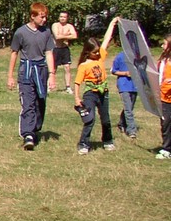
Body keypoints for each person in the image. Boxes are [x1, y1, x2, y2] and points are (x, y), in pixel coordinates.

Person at [7, 2, 57, 150]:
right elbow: (14, 53)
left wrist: (52, 75)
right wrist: (10, 76)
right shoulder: (21, 32)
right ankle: (27, 134)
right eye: (41, 17)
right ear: (32, 16)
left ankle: (35, 129)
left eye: (45, 17)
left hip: (41, 71)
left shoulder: (46, 32)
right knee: (28, 102)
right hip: (26, 71)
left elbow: (49, 53)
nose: (44, 20)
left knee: (40, 102)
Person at [73, 17, 118, 155]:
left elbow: (106, 39)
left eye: (98, 51)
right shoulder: (84, 66)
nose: (97, 54)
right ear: (88, 52)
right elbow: (77, 83)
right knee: (90, 119)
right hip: (90, 94)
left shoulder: (100, 58)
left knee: (106, 119)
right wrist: (77, 98)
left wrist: (112, 23)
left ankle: (108, 140)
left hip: (103, 92)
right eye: (94, 52)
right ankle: (83, 144)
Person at [111, 43, 139, 140]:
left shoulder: (137, 57)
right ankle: (131, 130)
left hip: (134, 86)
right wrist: (125, 73)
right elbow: (114, 71)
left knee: (130, 107)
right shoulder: (120, 56)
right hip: (123, 85)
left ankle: (121, 123)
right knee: (128, 109)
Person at [51, 11, 78, 93]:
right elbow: (57, 36)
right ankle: (50, 86)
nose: (62, 18)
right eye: (61, 16)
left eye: (64, 17)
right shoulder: (55, 25)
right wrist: (68, 35)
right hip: (56, 49)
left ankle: (68, 87)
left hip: (65, 49)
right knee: (53, 68)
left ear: (67, 18)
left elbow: (75, 36)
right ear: (59, 17)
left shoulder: (69, 26)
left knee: (67, 68)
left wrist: (62, 35)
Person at [157, 33, 171, 160]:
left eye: (164, 44)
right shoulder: (163, 60)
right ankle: (167, 148)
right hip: (164, 97)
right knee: (165, 123)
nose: (162, 46)